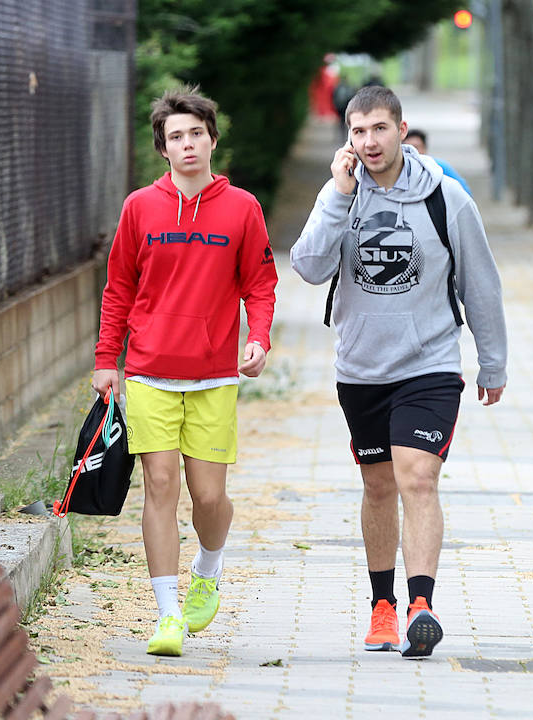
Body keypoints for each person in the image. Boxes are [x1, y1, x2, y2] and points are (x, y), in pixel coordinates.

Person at [290, 85, 507, 659]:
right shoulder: (339, 193)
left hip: (428, 363)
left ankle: (420, 606)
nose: (368, 143)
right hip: (361, 368)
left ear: (402, 130)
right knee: (378, 485)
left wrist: (493, 360)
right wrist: (338, 195)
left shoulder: (445, 195)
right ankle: (382, 607)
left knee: (417, 477)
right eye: (357, 132)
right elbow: (308, 267)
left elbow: (480, 281)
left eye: (379, 129)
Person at [92, 87, 278, 657]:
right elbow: (119, 286)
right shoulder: (140, 208)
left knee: (209, 495)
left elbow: (260, 284)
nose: (188, 143)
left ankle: (209, 567)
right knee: (161, 486)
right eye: (177, 136)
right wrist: (107, 360)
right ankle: (168, 614)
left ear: (212, 139)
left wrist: (258, 337)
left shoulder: (242, 208)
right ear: (164, 149)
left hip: (215, 376)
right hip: (149, 371)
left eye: (196, 133)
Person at [403, 128, 473, 197]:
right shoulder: (399, 170)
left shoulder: (439, 167)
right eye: (407, 148)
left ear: (425, 148)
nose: (412, 151)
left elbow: (464, 192)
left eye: (416, 147)